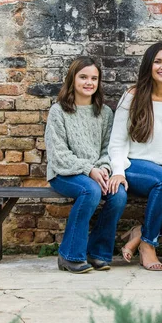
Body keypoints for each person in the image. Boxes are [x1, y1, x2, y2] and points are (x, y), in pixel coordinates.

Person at [107, 42, 162, 271]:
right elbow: (117, 140)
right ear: (149, 65)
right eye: (158, 61)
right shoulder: (133, 95)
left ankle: (141, 233)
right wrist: (118, 170)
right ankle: (148, 245)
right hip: (135, 164)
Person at [45, 57, 127, 273]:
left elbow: (107, 150)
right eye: (83, 77)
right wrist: (89, 170)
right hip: (64, 173)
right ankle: (69, 255)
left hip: (96, 172)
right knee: (90, 191)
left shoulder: (104, 113)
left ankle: (97, 252)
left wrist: (103, 169)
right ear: (72, 79)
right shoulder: (59, 111)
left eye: (94, 78)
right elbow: (58, 155)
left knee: (118, 194)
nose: (89, 82)